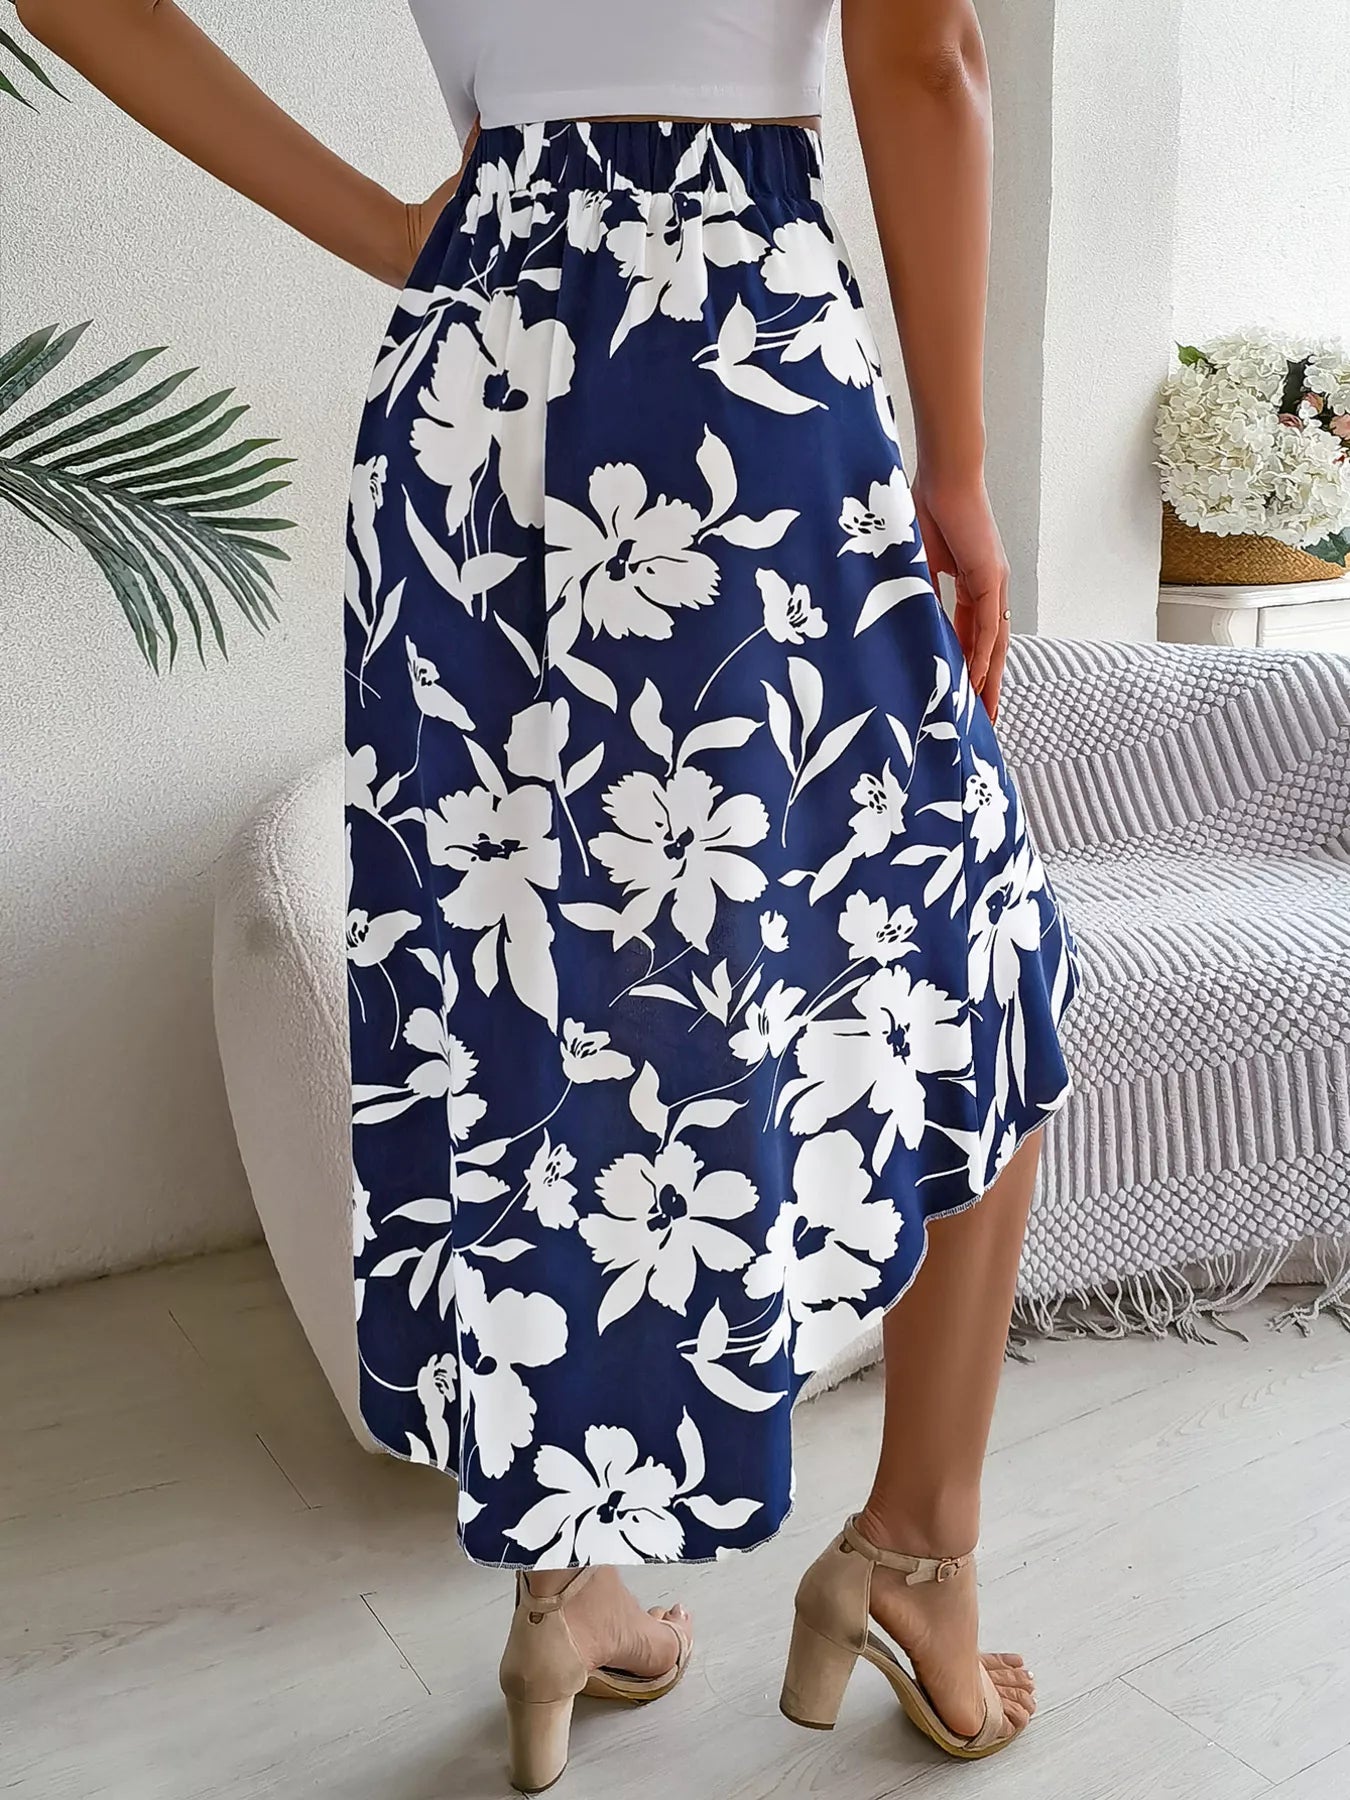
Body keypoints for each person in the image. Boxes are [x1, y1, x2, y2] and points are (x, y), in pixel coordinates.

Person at [18, 0, 1082, 1787]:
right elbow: (926, 56)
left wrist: (400, 233)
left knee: (523, 973)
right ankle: (913, 1551)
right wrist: (958, 472)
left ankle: (562, 1592)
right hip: (742, 362)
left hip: (469, 385)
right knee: (977, 956)